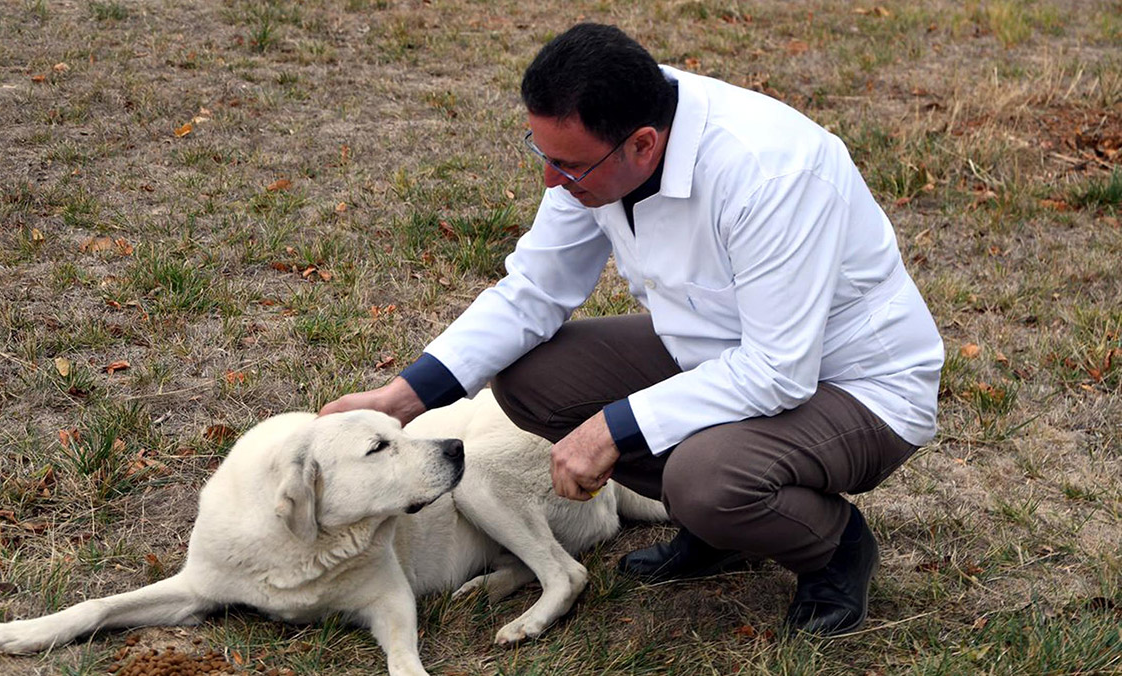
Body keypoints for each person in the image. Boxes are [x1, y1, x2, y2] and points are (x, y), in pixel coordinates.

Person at [321, 22, 944, 637]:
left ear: (643, 146)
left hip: (856, 387)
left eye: (566, 166)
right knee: (532, 381)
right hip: (717, 359)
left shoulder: (771, 171)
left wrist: (613, 426)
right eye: (543, 155)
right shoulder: (605, 143)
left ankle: (833, 547)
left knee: (706, 480)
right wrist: (399, 399)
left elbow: (780, 370)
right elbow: (534, 289)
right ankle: (721, 529)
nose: (550, 181)